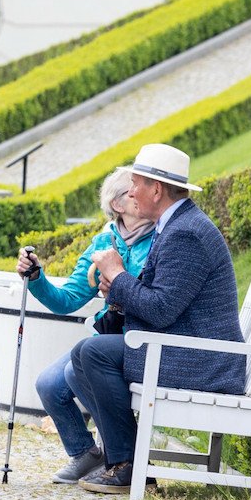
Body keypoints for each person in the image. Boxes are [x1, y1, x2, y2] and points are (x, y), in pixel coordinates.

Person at [72, 143, 244, 494]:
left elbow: (161, 309)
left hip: (202, 361)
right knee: (86, 351)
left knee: (92, 353)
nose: (131, 192)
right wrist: (116, 294)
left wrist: (118, 276)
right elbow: (158, 298)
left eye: (136, 184)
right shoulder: (176, 224)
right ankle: (128, 463)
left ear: (156, 189)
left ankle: (129, 466)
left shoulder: (186, 233)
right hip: (189, 348)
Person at [16, 166, 155, 484]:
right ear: (119, 204)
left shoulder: (161, 240)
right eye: (133, 189)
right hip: (106, 339)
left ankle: (120, 454)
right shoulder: (104, 242)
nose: (141, 193)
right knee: (48, 385)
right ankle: (86, 454)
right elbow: (67, 300)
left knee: (71, 373)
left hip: (134, 341)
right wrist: (37, 277)